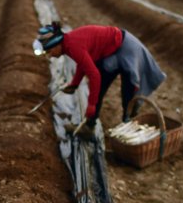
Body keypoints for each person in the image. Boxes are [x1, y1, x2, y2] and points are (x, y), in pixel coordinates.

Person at [32, 21, 166, 140]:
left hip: (126, 47)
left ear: (56, 46)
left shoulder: (72, 45)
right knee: (101, 84)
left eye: (49, 52)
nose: (50, 56)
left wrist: (91, 105)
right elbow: (82, 64)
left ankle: (128, 125)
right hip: (110, 52)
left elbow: (94, 76)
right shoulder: (67, 44)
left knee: (128, 91)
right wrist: (74, 84)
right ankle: (89, 128)